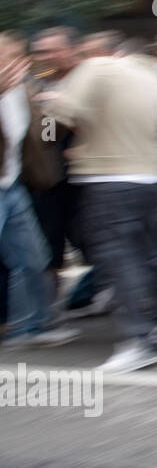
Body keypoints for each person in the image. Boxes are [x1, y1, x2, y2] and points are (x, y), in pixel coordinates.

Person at [48, 35, 157, 369]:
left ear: (102, 52)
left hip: (108, 176)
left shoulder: (98, 68)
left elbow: (63, 113)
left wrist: (50, 100)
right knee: (153, 251)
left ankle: (138, 340)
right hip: (151, 176)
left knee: (119, 259)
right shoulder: (155, 77)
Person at [0, 32, 77, 348]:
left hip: (13, 187)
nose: (16, 61)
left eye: (16, 54)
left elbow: (43, 136)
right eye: (9, 55)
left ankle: (29, 327)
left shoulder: (24, 89)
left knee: (34, 258)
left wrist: (59, 114)